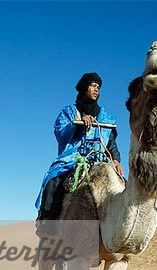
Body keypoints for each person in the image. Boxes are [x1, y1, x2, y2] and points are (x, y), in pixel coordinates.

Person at [35, 72, 124, 227]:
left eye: (98, 87)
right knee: (53, 183)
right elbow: (61, 133)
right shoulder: (69, 113)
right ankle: (47, 225)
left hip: (99, 159)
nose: (97, 90)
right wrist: (79, 124)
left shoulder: (106, 118)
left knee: (124, 187)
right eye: (93, 86)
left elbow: (111, 142)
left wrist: (116, 160)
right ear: (84, 87)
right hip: (73, 159)